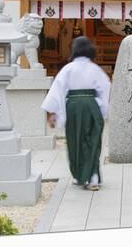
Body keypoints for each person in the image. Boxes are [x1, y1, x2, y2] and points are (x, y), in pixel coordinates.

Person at [41, 36, 111, 191]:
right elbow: (105, 88)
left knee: (75, 141)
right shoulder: (95, 69)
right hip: (91, 105)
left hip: (72, 106)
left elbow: (57, 90)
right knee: (93, 141)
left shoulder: (68, 69)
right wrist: (103, 110)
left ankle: (79, 175)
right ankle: (93, 177)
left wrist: (52, 113)